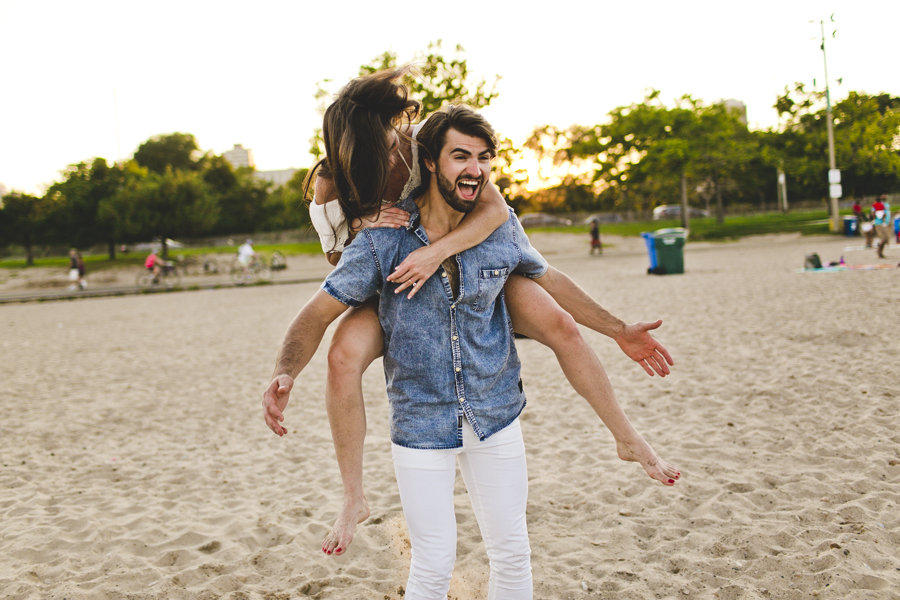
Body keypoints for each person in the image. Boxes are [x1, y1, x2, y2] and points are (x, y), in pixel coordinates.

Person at [264, 105, 680, 600]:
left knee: (512, 551)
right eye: (460, 156)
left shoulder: (481, 204)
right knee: (433, 560)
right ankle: (353, 494)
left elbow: (547, 272)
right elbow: (319, 304)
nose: (475, 168)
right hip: (422, 422)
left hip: (493, 413)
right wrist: (285, 371)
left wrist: (618, 330)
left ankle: (627, 437)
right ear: (431, 164)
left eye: (483, 158)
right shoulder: (365, 217)